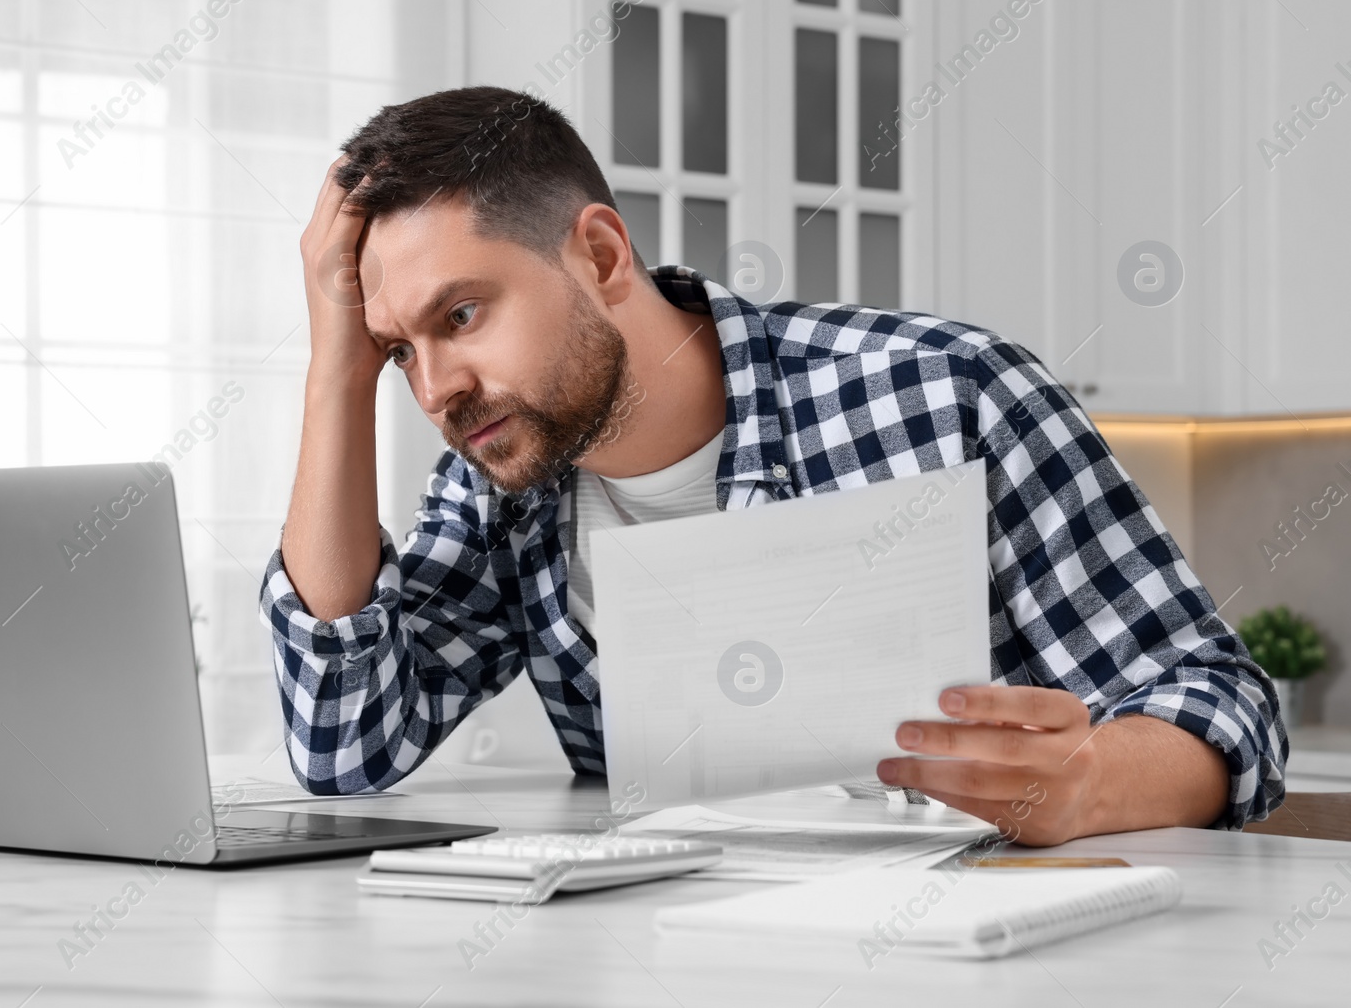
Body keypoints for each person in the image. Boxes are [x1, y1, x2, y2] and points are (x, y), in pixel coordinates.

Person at [259, 85, 1284, 846]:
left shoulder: (947, 390)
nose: (435, 387)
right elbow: (346, 744)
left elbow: (1222, 702)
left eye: (462, 314)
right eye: (399, 350)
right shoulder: (501, 483)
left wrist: (1090, 780)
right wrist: (334, 377)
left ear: (602, 256)